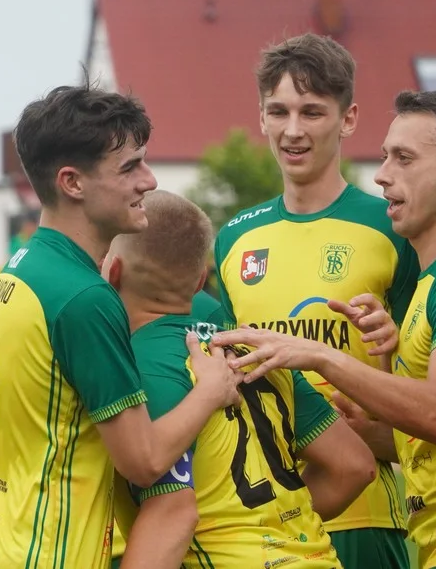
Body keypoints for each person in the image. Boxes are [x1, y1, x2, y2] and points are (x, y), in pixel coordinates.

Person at [212, 90, 436, 569]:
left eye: (403, 158)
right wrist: (358, 430)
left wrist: (322, 356)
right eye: (385, 156)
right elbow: (427, 443)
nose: (383, 174)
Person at [0, 84, 243, 569]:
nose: (149, 182)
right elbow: (144, 461)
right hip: (46, 553)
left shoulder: (23, 267)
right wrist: (210, 389)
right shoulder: (85, 297)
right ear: (72, 182)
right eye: (130, 167)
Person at [211, 33, 418, 569]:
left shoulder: (393, 226)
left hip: (367, 513)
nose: (293, 130)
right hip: (270, 515)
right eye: (278, 111)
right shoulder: (234, 238)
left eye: (313, 112)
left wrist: (392, 343)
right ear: (260, 117)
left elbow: (434, 390)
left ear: (348, 119)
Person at [108, 191, 376, 569]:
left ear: (112, 271)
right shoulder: (257, 351)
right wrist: (269, 522)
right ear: (202, 279)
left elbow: (168, 515)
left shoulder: (139, 365)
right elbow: (354, 466)